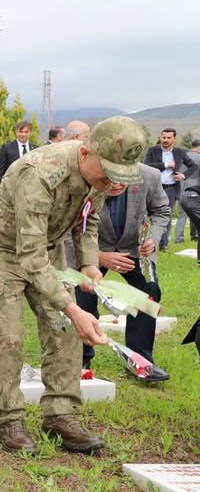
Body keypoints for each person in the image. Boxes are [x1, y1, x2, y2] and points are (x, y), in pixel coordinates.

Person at [0, 115, 146, 455]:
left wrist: (88, 262)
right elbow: (30, 256)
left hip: (47, 249)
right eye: (108, 173)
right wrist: (72, 306)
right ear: (86, 152)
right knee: (7, 336)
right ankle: (10, 419)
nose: (111, 183)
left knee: (64, 331)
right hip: (1, 249)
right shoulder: (40, 174)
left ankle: (60, 415)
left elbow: (88, 219)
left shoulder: (99, 175)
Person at [74, 163, 171, 381]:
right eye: (111, 178)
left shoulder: (150, 176)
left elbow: (161, 210)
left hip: (135, 250)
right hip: (93, 249)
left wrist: (153, 238)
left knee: (149, 293)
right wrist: (99, 256)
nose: (116, 184)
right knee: (82, 296)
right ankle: (79, 360)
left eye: (122, 180)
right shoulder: (85, 175)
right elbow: (70, 226)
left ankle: (141, 360)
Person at [143, 128, 196, 251]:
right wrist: (166, 165)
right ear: (160, 137)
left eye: (168, 138)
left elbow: (193, 166)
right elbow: (146, 166)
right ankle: (146, 242)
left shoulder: (179, 152)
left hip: (170, 189)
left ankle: (163, 244)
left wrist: (183, 175)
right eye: (163, 137)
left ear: (174, 139)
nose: (165, 140)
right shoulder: (153, 150)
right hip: (153, 188)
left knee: (166, 216)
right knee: (148, 215)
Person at [0, 120, 37, 188]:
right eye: (21, 132)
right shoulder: (7, 148)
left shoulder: (36, 149)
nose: (23, 134)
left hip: (31, 188)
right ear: (16, 132)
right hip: (12, 188)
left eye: (26, 132)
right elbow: (0, 171)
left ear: (30, 133)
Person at [176, 139, 200, 244]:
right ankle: (194, 235)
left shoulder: (181, 156)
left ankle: (178, 237)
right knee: (195, 213)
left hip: (181, 187)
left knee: (182, 214)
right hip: (195, 188)